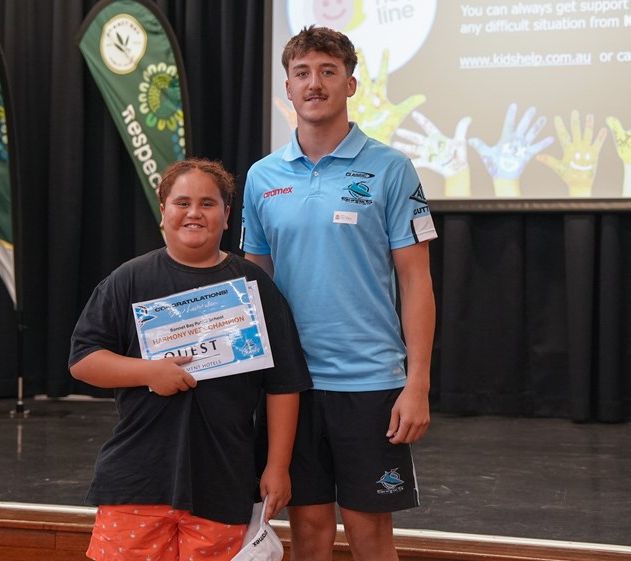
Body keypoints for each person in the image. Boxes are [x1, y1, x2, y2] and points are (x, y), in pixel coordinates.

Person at [241, 26, 438, 561]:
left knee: (370, 534)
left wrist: (417, 383)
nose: (315, 83)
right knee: (308, 534)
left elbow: (416, 281)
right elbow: (254, 287)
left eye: (328, 71)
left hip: (370, 383)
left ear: (350, 84)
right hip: (290, 388)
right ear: (287, 87)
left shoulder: (391, 168)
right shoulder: (262, 177)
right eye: (302, 73)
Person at [70, 158, 311, 561]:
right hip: (137, 480)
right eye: (182, 202)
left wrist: (277, 466)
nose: (194, 213)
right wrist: (149, 372)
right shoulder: (128, 279)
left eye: (208, 203)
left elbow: (284, 384)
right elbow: (83, 360)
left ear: (227, 215)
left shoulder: (254, 286)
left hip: (223, 481)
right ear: (162, 211)